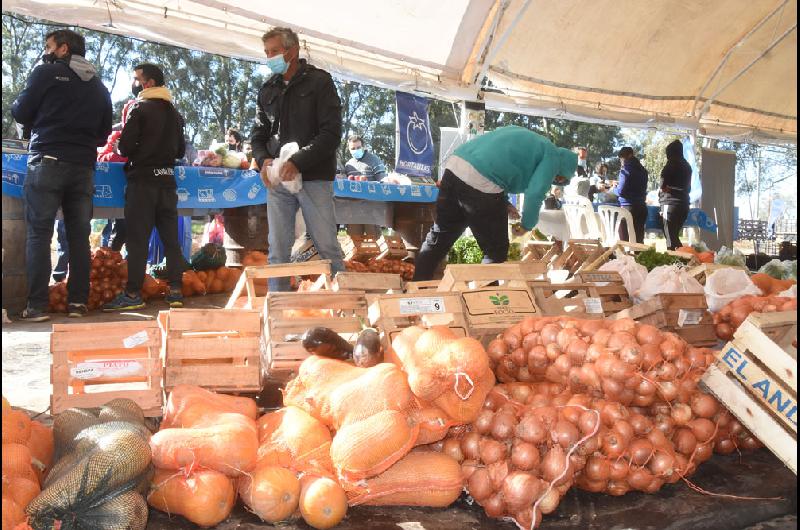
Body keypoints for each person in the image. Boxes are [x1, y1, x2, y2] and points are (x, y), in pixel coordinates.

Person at [11, 29, 112, 321]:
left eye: (49, 46)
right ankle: (78, 303)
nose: (46, 51)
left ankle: (37, 306)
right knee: (79, 237)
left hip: (48, 160)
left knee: (39, 234)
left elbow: (20, 111)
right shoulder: (99, 86)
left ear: (63, 49)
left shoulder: (45, 73)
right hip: (83, 166)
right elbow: (104, 133)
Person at [412, 126, 577, 281]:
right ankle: (487, 303)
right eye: (558, 178)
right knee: (495, 251)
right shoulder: (553, 157)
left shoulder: (529, 139)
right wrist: (526, 225)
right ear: (562, 170)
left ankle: (415, 293)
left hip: (455, 167)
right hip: (482, 181)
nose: (555, 181)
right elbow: (535, 193)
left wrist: (504, 203)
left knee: (439, 238)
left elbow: (497, 164)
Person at [251, 27, 344, 291]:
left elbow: (331, 133)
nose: (270, 57)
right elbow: (258, 134)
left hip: (314, 177)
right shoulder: (267, 89)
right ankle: (277, 307)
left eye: (274, 52)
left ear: (293, 51)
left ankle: (346, 307)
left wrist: (299, 161)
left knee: (327, 246)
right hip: (277, 180)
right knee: (277, 250)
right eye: (266, 52)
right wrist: (263, 159)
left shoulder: (320, 82)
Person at [103, 63, 186, 311]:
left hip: (143, 182)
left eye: (137, 79)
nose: (135, 83)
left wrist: (118, 148)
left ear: (147, 83)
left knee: (138, 239)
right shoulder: (174, 112)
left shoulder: (139, 108)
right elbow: (181, 150)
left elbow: (126, 147)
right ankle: (176, 291)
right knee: (172, 240)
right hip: (167, 181)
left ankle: (132, 295)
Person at [344, 134, 388, 238]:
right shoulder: (348, 165)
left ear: (363, 146)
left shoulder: (374, 160)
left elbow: (383, 182)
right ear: (349, 150)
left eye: (358, 147)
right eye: (353, 148)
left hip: (371, 209)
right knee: (355, 240)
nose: (356, 150)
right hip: (354, 210)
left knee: (374, 239)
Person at [659, 139, 692, 250]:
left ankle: (677, 261)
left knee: (670, 238)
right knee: (674, 236)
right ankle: (681, 259)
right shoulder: (687, 166)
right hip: (684, 205)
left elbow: (662, 185)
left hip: (670, 204)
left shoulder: (670, 165)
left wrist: (666, 189)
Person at [613, 147, 648, 244]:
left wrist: (613, 189)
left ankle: (626, 259)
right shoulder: (643, 170)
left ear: (624, 158)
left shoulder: (626, 169)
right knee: (639, 241)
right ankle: (639, 258)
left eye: (621, 159)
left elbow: (621, 191)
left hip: (628, 207)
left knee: (625, 241)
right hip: (641, 206)